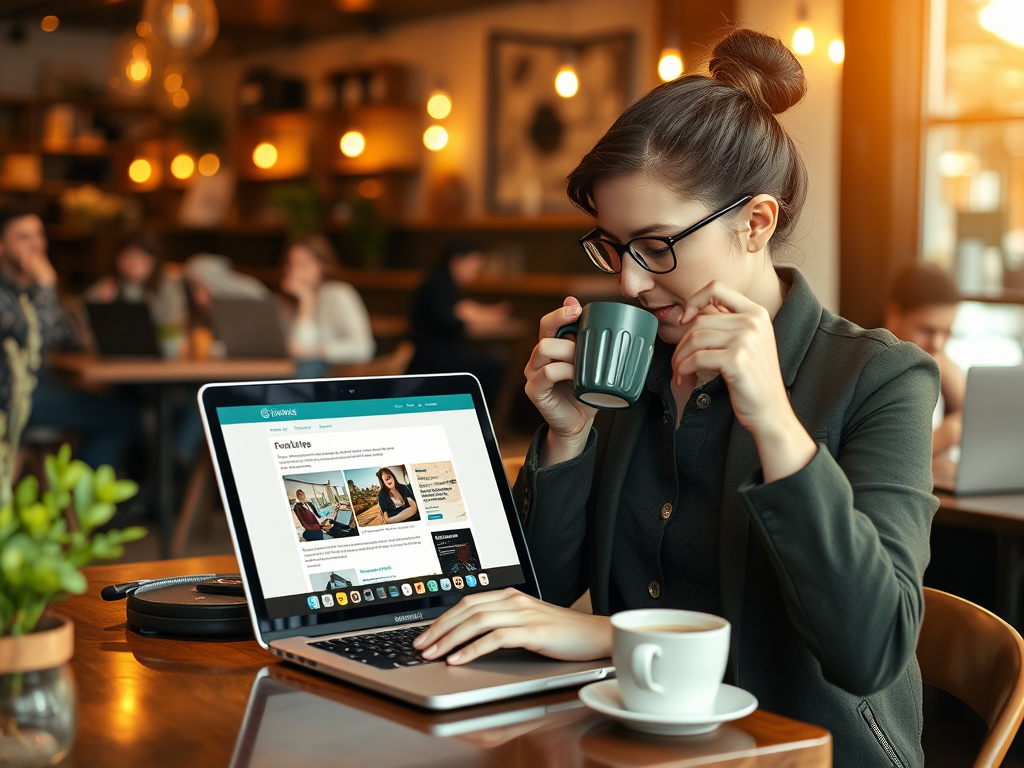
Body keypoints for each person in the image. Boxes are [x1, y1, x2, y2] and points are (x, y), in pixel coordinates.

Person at [412, 29, 939, 768]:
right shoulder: (637, 362)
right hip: (629, 738)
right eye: (612, 246)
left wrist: (774, 424)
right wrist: (566, 437)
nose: (629, 283)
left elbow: (869, 649)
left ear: (755, 224)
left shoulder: (881, 378)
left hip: (799, 753)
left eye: (656, 246)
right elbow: (544, 594)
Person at [0, 205, 139, 470]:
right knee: (123, 417)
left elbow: (66, 336)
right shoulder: (18, 289)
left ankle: (75, 496)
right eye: (23, 237)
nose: (36, 245)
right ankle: (77, 499)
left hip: (38, 391)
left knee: (125, 406)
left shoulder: (30, 287)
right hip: (11, 398)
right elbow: (34, 337)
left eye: (39, 235)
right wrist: (46, 286)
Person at [407, 241, 511, 406]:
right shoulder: (440, 283)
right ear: (456, 261)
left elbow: (458, 311)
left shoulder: (442, 282)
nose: (475, 273)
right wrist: (466, 323)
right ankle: (483, 417)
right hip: (431, 356)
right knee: (493, 366)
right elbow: (445, 320)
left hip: (434, 352)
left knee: (491, 360)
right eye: (473, 267)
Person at [885, 262, 964, 456]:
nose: (937, 344)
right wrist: (945, 436)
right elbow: (886, 462)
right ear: (894, 315)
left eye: (946, 332)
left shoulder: (935, 360)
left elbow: (976, 417)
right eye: (927, 330)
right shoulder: (876, 372)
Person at [279, 234, 375, 378]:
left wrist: (317, 351)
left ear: (322, 265)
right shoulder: (287, 302)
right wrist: (306, 303)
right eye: (290, 264)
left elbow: (363, 347)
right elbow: (295, 349)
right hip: (295, 373)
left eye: (302, 264)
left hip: (335, 376)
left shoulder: (340, 294)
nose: (295, 272)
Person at [84, 230, 188, 336]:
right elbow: (86, 329)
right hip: (117, 350)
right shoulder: (106, 287)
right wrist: (101, 307)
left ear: (154, 260)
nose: (133, 264)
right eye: (127, 256)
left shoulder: (168, 287)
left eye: (140, 257)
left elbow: (174, 329)